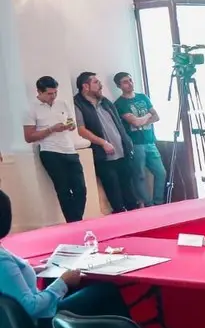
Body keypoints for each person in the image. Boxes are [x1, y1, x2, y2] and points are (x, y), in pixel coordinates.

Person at [0, 189, 131, 328]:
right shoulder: (2, 260)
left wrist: (35, 270)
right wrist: (63, 282)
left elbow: (10, 283)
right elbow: (31, 307)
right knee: (104, 291)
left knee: (84, 288)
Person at [73, 71, 138, 214]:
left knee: (129, 191)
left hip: (122, 152)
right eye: (96, 82)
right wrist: (103, 142)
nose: (100, 85)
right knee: (114, 192)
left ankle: (136, 218)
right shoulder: (78, 104)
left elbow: (118, 125)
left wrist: (127, 142)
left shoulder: (105, 102)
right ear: (85, 86)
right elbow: (81, 129)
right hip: (103, 156)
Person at [25, 76, 87, 223]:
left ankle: (76, 220)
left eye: (55, 93)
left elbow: (71, 122)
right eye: (49, 94)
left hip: (69, 150)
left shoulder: (62, 104)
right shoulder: (30, 108)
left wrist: (70, 125)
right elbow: (29, 137)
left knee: (80, 189)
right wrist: (51, 129)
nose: (53, 96)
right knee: (64, 190)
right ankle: (74, 222)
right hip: (50, 152)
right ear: (39, 92)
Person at [113, 72, 167, 208]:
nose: (130, 83)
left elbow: (157, 117)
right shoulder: (120, 103)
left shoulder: (143, 97)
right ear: (119, 85)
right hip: (135, 144)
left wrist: (143, 118)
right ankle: (148, 205)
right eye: (125, 81)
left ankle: (158, 202)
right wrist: (148, 115)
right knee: (139, 175)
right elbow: (135, 123)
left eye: (131, 80)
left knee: (161, 172)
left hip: (150, 141)